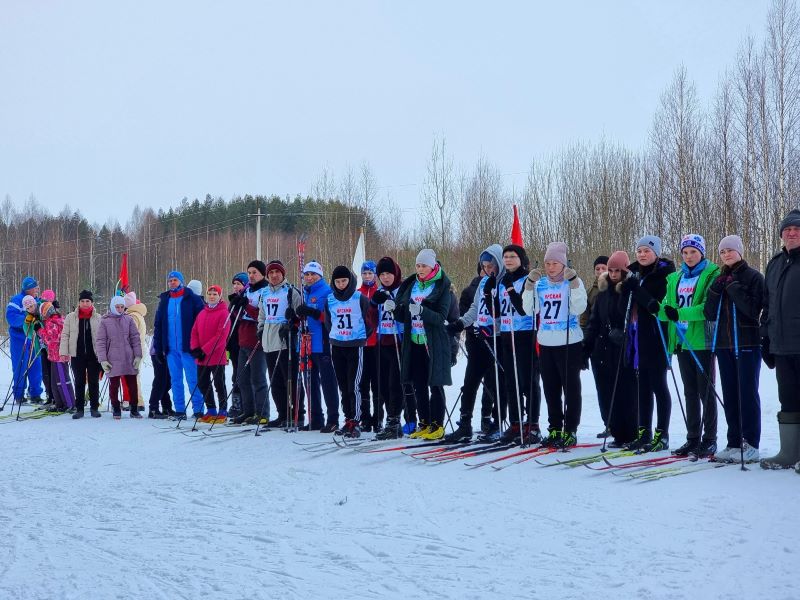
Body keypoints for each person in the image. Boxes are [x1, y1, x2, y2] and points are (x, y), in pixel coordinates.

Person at [703, 235, 763, 463]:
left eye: (730, 250)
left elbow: (753, 310)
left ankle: (751, 443)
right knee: (730, 393)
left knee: (747, 393)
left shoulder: (753, 276)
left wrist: (734, 288)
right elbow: (709, 313)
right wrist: (715, 291)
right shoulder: (718, 278)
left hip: (746, 342)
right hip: (724, 343)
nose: (726, 255)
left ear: (739, 251)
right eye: (722, 252)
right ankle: (733, 441)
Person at [660, 234, 720, 458]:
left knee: (706, 392)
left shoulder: (710, 274)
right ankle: (692, 438)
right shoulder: (676, 278)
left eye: (693, 252)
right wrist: (655, 307)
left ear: (701, 252)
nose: (689, 256)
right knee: (689, 392)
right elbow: (667, 308)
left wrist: (679, 313)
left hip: (701, 341)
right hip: (682, 341)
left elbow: (705, 307)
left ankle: (710, 439)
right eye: (685, 252)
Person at [523, 241, 587, 448]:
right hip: (546, 342)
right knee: (550, 389)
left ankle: (570, 429)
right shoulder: (540, 284)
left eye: (555, 263)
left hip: (569, 342)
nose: (551, 267)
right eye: (547, 263)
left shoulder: (572, 282)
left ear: (563, 264)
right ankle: (554, 428)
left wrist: (576, 284)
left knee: (571, 389)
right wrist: (528, 287)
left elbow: (579, 308)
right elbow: (529, 310)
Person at [618, 235, 675, 452]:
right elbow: (625, 304)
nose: (642, 255)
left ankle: (663, 434)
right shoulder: (634, 273)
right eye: (639, 251)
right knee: (642, 387)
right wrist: (626, 289)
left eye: (647, 251)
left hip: (656, 335)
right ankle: (644, 432)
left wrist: (636, 288)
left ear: (656, 253)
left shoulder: (665, 274)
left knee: (658, 385)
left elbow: (655, 306)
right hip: (636, 336)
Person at [445, 245, 506, 442]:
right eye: (485, 266)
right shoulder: (483, 284)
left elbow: (507, 314)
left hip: (497, 341)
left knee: (497, 385)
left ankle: (497, 424)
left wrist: (492, 329)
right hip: (479, 341)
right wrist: (460, 324)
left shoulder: (505, 283)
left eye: (491, 265)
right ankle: (464, 425)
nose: (488, 270)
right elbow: (474, 309)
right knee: (469, 383)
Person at [394, 249, 453, 440]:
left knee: (435, 384)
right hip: (414, 341)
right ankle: (425, 422)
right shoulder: (412, 285)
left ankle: (437, 424)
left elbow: (441, 317)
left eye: (424, 266)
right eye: (418, 265)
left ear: (433, 266)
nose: (420, 269)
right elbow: (404, 315)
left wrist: (422, 310)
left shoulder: (442, 286)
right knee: (419, 385)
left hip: (434, 342)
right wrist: (394, 309)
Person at [584, 251, 637, 447]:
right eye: (611, 270)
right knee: (607, 393)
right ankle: (617, 432)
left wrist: (625, 334)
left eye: (618, 270)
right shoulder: (603, 292)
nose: (613, 274)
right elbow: (594, 321)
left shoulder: (629, 291)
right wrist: (586, 346)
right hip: (604, 348)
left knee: (626, 392)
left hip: (624, 349)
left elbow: (634, 318)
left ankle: (631, 433)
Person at [760, 208, 800, 470]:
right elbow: (768, 305)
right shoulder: (774, 264)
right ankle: (789, 453)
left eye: (796, 229)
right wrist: (765, 337)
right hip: (782, 346)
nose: (792, 233)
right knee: (788, 399)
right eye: (787, 230)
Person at [497, 244, 541, 445]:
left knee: (528, 381)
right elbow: (498, 310)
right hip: (507, 334)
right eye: (505, 256)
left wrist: (510, 288)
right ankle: (515, 423)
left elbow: (523, 309)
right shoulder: (502, 281)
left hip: (525, 333)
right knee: (510, 382)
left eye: (512, 256)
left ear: (521, 259)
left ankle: (532, 424)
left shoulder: (528, 280)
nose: (508, 260)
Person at [324, 266, 375, 438]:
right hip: (337, 345)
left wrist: (361, 337)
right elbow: (328, 322)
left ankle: (356, 420)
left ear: (350, 280)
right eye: (337, 281)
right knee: (343, 385)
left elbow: (370, 321)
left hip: (355, 345)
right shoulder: (330, 299)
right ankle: (347, 418)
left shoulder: (359, 298)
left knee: (355, 385)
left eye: (344, 281)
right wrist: (335, 336)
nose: (340, 284)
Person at [152, 270, 205, 419]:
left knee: (193, 379)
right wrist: (158, 348)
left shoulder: (192, 299)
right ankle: (180, 410)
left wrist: (199, 345)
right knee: (175, 380)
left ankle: (198, 409)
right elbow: (158, 326)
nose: (172, 283)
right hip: (171, 349)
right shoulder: (164, 301)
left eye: (175, 280)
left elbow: (201, 324)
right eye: (170, 280)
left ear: (181, 281)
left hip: (188, 348)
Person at [295, 261, 340, 432]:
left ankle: (333, 419)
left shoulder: (327, 291)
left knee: (328, 382)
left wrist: (313, 312)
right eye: (307, 274)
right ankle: (316, 418)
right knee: (310, 382)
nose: (309, 277)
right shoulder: (304, 292)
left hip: (322, 344)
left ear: (320, 275)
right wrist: (294, 316)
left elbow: (330, 318)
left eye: (313, 274)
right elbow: (302, 319)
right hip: (306, 344)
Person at [257, 260, 302, 427]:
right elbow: (262, 315)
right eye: (271, 273)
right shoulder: (265, 293)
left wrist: (292, 325)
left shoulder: (290, 291)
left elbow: (300, 315)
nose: (274, 275)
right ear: (267, 276)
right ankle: (282, 414)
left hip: (285, 342)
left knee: (289, 380)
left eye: (277, 272)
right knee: (275, 382)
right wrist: (260, 330)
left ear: (283, 274)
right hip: (269, 342)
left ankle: (296, 414)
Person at [228, 261, 269, 425]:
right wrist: (236, 303)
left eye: (255, 272)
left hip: (257, 341)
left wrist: (246, 306)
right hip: (243, 340)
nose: (251, 275)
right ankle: (248, 411)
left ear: (262, 274)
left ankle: (262, 413)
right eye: (249, 272)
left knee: (258, 379)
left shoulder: (265, 291)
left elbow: (261, 314)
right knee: (242, 379)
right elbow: (239, 316)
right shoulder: (247, 291)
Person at [371, 256, 406, 440]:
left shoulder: (402, 290)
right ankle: (390, 421)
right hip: (382, 340)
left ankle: (394, 420)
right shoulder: (379, 291)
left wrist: (396, 308)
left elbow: (406, 315)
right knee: (382, 384)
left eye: (388, 273)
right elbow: (371, 319)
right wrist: (373, 303)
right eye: (382, 274)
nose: (385, 277)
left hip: (398, 341)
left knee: (395, 384)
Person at [96, 296, 143, 419]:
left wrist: (138, 356)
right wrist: (103, 359)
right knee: (114, 384)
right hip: (113, 358)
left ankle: (134, 408)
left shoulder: (129, 319)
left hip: (129, 357)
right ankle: (116, 408)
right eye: (117, 307)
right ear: (112, 306)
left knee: (132, 384)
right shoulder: (105, 321)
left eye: (122, 307)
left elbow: (135, 338)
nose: (120, 309)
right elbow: (100, 341)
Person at [190, 285, 231, 423]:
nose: (212, 296)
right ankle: (211, 409)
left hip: (216, 355)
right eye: (210, 294)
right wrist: (195, 348)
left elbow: (221, 335)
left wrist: (205, 350)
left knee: (219, 384)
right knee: (202, 383)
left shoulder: (224, 313)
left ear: (220, 296)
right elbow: (194, 331)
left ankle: (223, 410)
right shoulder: (202, 312)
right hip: (201, 356)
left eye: (215, 294)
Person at [60, 290, 103, 418]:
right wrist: (63, 352)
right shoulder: (70, 317)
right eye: (82, 301)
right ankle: (79, 409)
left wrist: (103, 354)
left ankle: (94, 408)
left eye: (87, 301)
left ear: (92, 303)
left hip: (93, 356)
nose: (85, 303)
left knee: (93, 382)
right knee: (79, 382)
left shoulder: (98, 318)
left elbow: (102, 338)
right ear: (79, 303)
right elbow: (65, 335)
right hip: (76, 355)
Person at [5, 276, 43, 405]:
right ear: (28, 288)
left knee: (36, 366)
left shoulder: (36, 300)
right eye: (34, 287)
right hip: (19, 339)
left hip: (33, 338)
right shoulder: (16, 300)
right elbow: (11, 318)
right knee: (20, 365)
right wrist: (27, 319)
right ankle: (19, 394)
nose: (36, 289)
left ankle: (36, 393)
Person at [36, 301, 75, 412]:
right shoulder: (58, 320)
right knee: (55, 381)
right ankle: (60, 403)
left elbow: (50, 339)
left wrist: (39, 330)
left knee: (62, 380)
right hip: (55, 356)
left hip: (59, 356)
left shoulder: (52, 322)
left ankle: (69, 403)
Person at [357, 261, 382, 432]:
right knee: (362, 383)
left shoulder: (379, 292)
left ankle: (378, 418)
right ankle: (365, 418)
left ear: (375, 275)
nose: (367, 276)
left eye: (370, 273)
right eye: (364, 273)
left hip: (378, 344)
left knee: (378, 384)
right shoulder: (357, 293)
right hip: (361, 343)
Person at [226, 272, 248, 420]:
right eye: (234, 284)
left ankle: (247, 405)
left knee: (244, 376)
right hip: (233, 343)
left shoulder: (246, 299)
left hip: (244, 342)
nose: (235, 287)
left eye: (238, 284)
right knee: (236, 375)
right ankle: (236, 404)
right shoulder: (233, 301)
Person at [123, 292, 148, 413]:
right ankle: (138, 401)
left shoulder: (131, 316)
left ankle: (138, 402)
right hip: (139, 349)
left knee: (133, 377)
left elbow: (128, 335)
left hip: (133, 350)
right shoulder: (138, 314)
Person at [39, 289, 58, 405]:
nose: (46, 303)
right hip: (43, 347)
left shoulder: (53, 311)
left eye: (49, 301)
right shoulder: (39, 309)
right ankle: (49, 395)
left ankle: (55, 395)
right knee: (45, 372)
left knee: (53, 373)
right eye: (44, 300)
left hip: (53, 348)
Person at [580, 256, 608, 333]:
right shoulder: (589, 291)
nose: (600, 271)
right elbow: (584, 318)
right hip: (595, 333)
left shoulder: (616, 288)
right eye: (597, 269)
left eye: (603, 268)